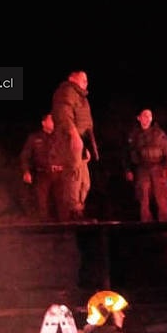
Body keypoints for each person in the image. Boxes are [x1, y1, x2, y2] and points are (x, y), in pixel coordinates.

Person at [51, 70, 99, 221]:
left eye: (87, 79)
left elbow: (87, 123)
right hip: (70, 140)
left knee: (85, 181)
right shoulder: (67, 91)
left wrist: (88, 146)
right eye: (82, 78)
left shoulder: (81, 97)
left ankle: (78, 209)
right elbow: (63, 113)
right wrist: (73, 135)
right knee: (74, 176)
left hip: (80, 141)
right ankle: (73, 213)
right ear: (72, 78)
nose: (86, 81)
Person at [124, 108, 167, 222]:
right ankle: (146, 226)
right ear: (139, 118)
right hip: (142, 168)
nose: (147, 118)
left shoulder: (159, 134)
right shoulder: (133, 136)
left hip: (158, 168)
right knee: (143, 198)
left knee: (161, 197)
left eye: (150, 116)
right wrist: (128, 170)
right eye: (145, 115)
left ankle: (165, 225)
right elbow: (127, 155)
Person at [19, 113, 67, 221]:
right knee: (42, 204)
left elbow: (70, 153)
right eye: (51, 120)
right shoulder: (34, 138)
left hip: (59, 175)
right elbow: (25, 156)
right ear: (44, 122)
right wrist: (26, 171)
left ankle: (64, 229)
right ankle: (44, 230)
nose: (53, 122)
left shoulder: (60, 138)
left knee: (62, 204)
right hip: (42, 175)